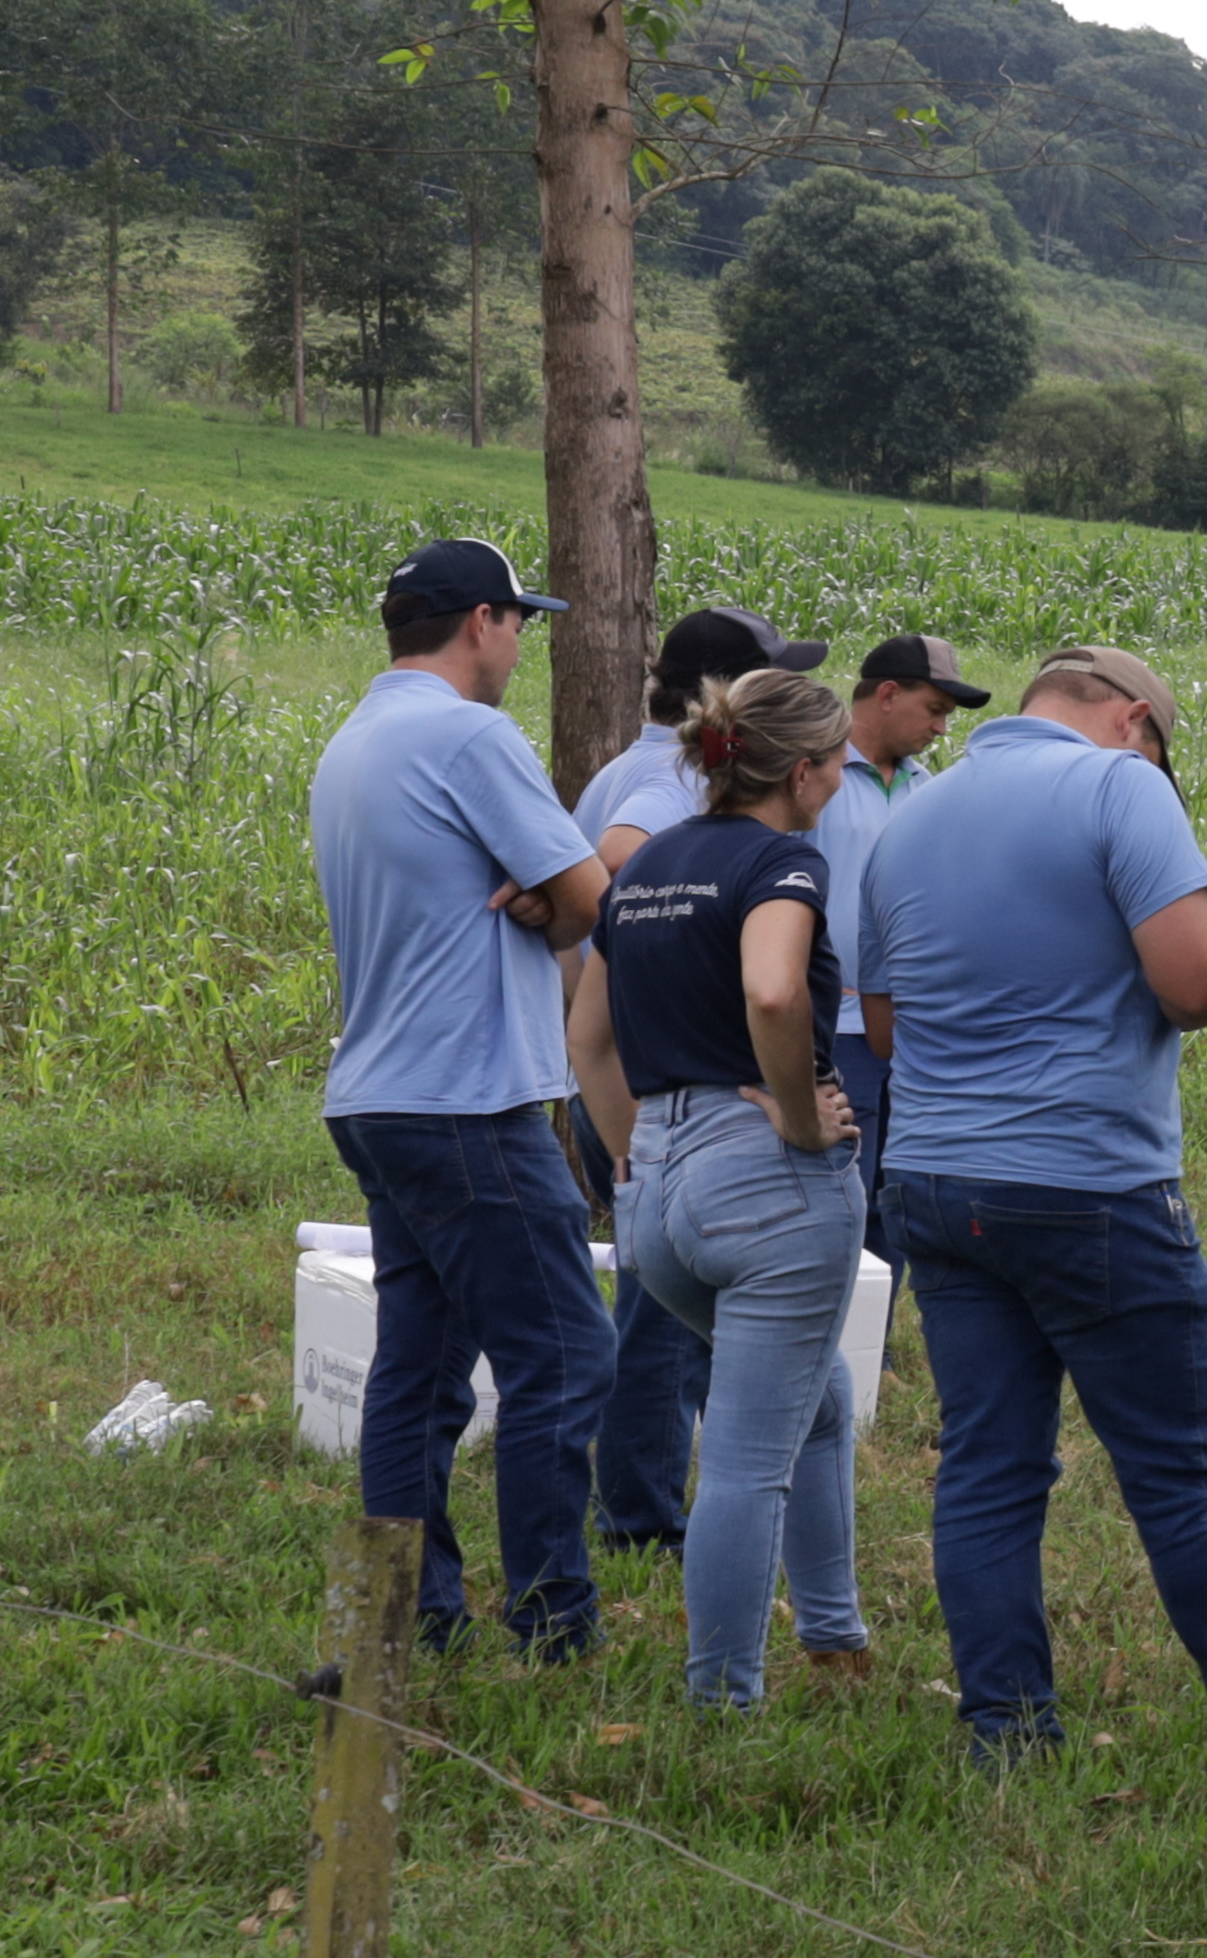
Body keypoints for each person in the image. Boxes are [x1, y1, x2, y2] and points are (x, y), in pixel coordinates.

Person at [856, 642, 1207, 1764]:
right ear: (1130, 720)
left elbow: (883, 1026)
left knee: (987, 1459)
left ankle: (1009, 1730)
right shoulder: (1120, 786)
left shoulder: (907, 819)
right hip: (1087, 1182)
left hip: (933, 1179)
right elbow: (1202, 981)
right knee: (1180, 1471)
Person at [309, 539, 613, 1658]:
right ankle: (550, 1616)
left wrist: (541, 899)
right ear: (481, 620)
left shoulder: (355, 738)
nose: (523, 643)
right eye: (520, 621)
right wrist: (550, 905)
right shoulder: (468, 733)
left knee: (419, 1366)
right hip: (469, 1096)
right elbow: (591, 895)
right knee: (567, 1353)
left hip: (378, 1091)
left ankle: (409, 1612)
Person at [571, 666, 876, 1706]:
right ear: (799, 771)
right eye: (838, 763)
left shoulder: (648, 867)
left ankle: (834, 1628)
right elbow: (773, 986)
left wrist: (631, 1154)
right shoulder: (781, 860)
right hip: (770, 1190)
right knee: (748, 1457)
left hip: (657, 1191)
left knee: (815, 1394)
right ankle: (722, 1700)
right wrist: (797, 1116)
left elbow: (589, 1035)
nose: (841, 781)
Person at [571, 604, 826, 1555]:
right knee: (661, 1320)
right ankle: (641, 1513)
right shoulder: (663, 784)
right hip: (671, 1089)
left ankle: (649, 1497)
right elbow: (621, 867)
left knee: (668, 1304)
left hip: (627, 1075)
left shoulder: (627, 767)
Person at [821, 632, 989, 1197]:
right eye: (935, 710)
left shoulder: (932, 793)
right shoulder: (811, 780)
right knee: (846, 1194)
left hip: (913, 1031)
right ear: (888, 694)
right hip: (833, 1029)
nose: (943, 729)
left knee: (899, 1199)